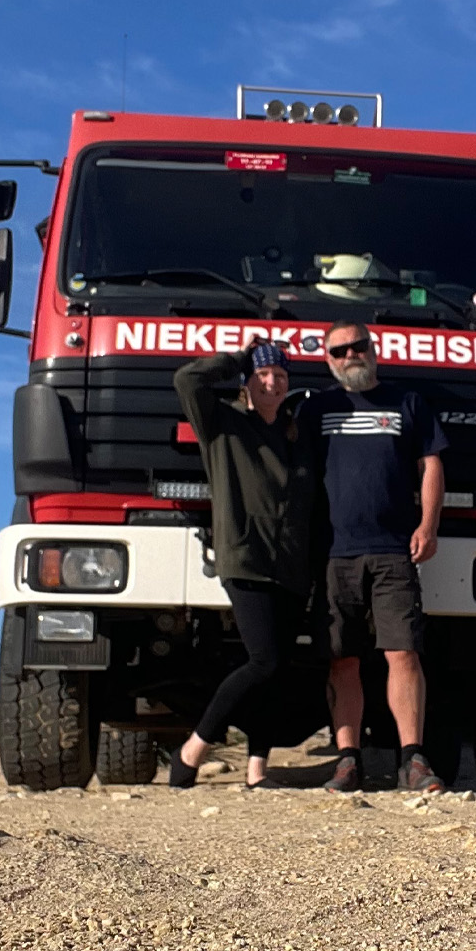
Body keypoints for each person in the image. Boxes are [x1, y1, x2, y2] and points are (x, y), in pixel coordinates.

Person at [299, 320, 450, 792]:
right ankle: (348, 761)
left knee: (402, 653)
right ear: (328, 360)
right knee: (341, 660)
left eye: (356, 347)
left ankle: (412, 759)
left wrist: (429, 525)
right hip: (332, 554)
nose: (349, 357)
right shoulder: (316, 409)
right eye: (338, 352)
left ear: (373, 348)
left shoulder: (408, 404)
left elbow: (431, 464)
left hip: (393, 551)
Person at [167, 337, 314, 789]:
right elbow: (186, 379)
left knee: (277, 670)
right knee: (263, 661)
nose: (272, 382)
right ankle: (193, 749)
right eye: (263, 375)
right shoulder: (223, 425)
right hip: (246, 559)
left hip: (290, 566)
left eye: (280, 376)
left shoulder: (296, 434)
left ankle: (257, 769)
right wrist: (236, 359)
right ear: (248, 383)